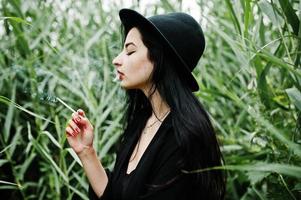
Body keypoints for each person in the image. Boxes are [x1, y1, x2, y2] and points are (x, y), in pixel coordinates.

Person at [65, 8, 226, 199]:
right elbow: (116, 195)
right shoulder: (142, 120)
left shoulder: (184, 138)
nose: (116, 60)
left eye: (130, 51)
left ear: (159, 59)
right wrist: (86, 152)